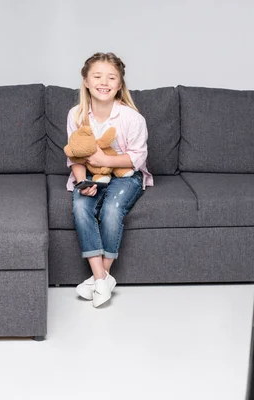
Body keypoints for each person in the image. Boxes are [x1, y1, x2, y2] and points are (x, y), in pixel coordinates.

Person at [65, 52, 154, 307]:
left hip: (126, 175)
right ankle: (102, 278)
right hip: (90, 174)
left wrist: (104, 160)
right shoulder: (76, 115)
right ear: (86, 81)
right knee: (81, 207)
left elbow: (136, 158)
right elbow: (76, 158)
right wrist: (83, 182)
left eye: (111, 77)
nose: (104, 82)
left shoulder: (132, 118)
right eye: (97, 76)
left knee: (113, 209)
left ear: (119, 84)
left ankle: (99, 278)